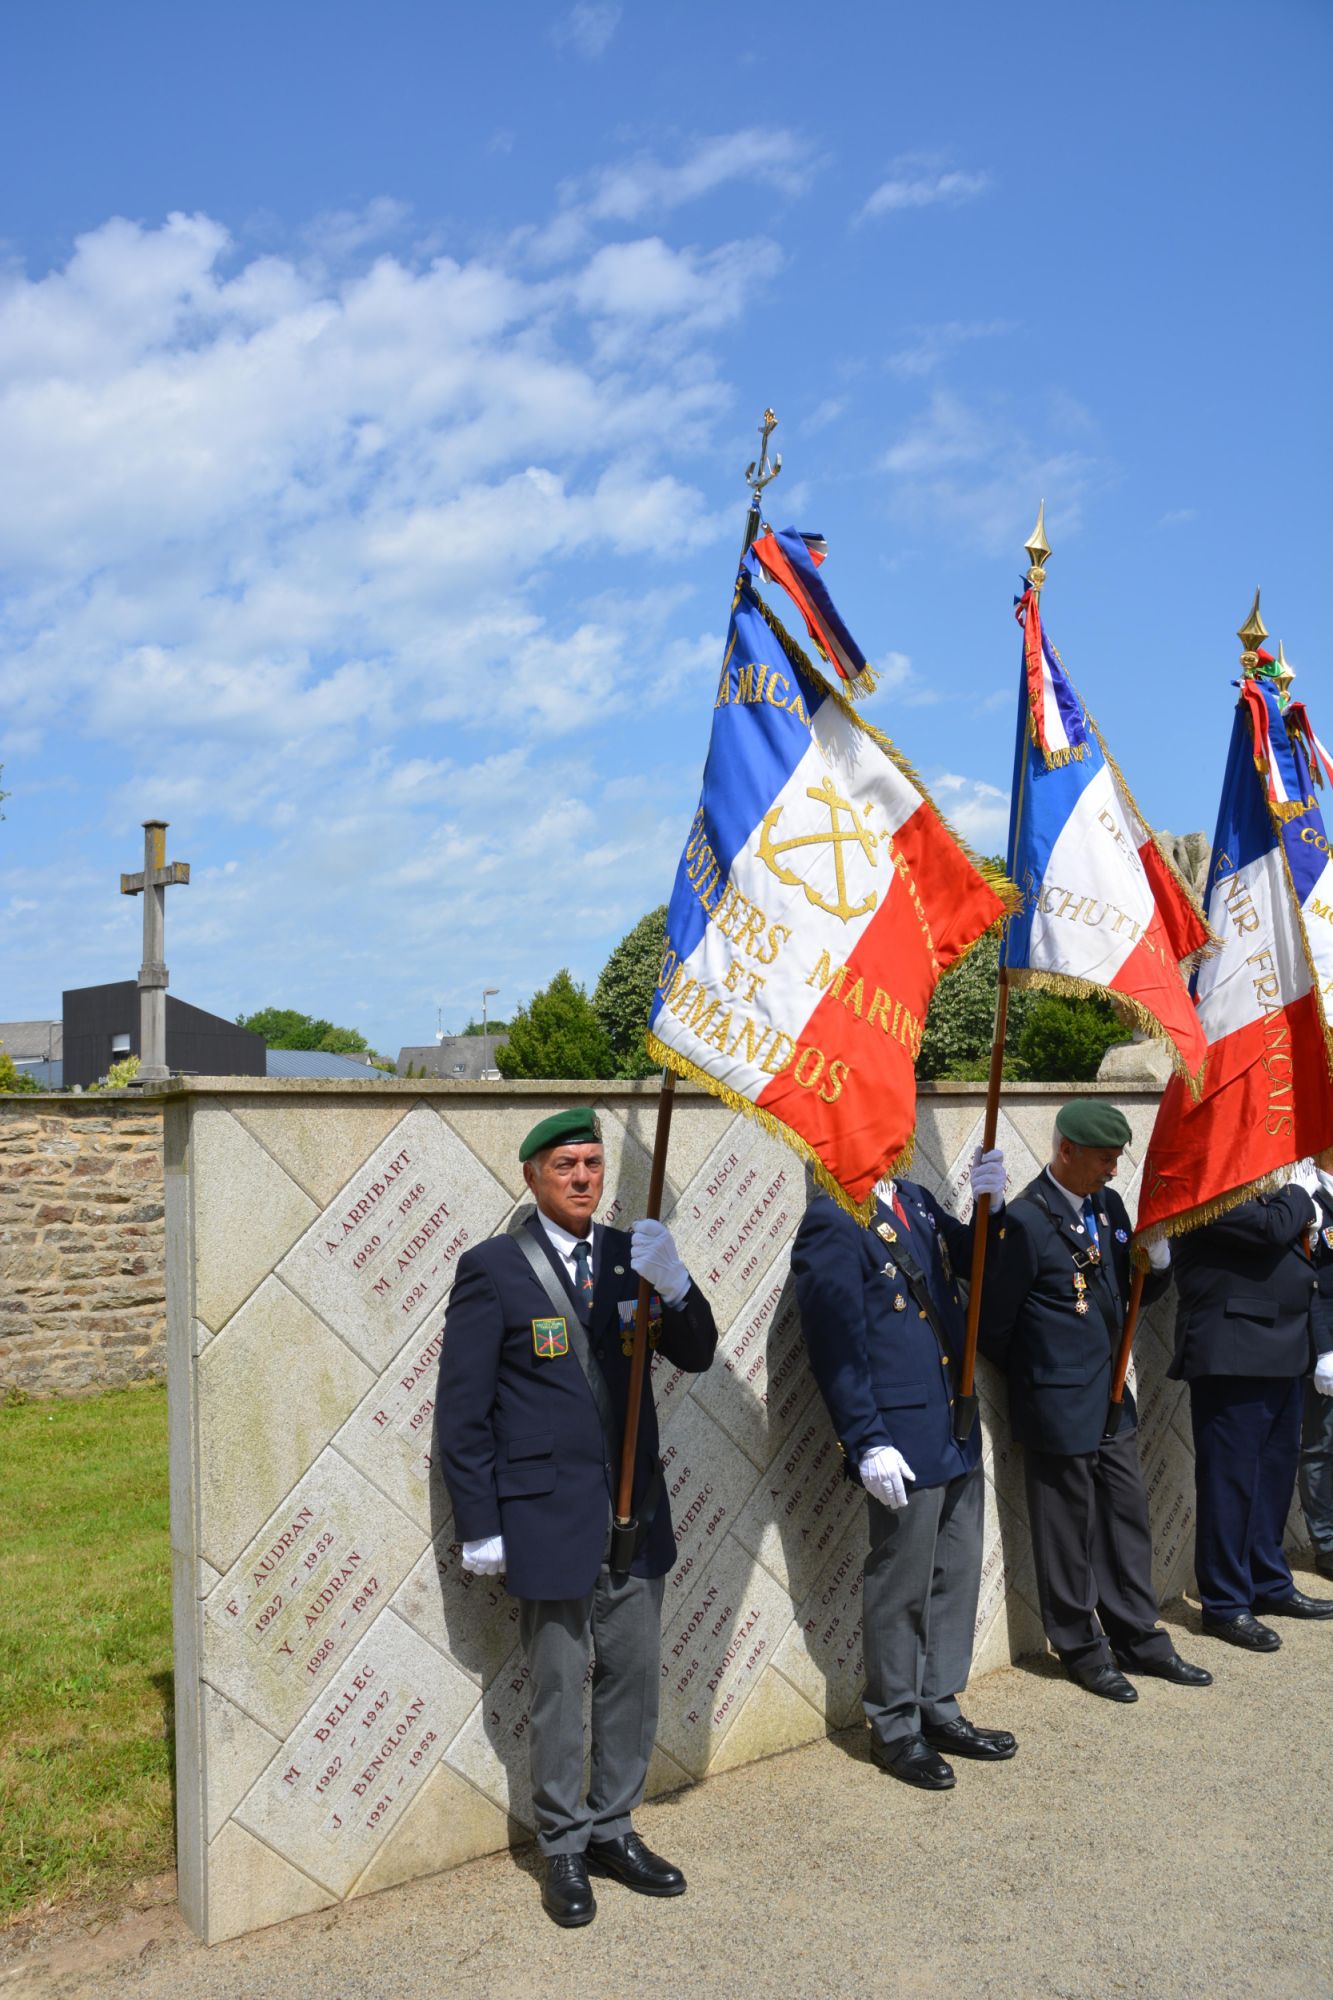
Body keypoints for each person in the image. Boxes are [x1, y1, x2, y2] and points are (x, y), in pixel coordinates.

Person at [435, 1108, 717, 1928]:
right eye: (565, 1165)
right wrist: (480, 1524)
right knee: (560, 1685)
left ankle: (613, 1827)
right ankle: (561, 1842)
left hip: (634, 1512)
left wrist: (676, 1284)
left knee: (632, 1674)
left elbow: (695, 1352)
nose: (583, 1177)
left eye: (592, 1162)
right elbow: (463, 1412)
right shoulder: (492, 1269)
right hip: (545, 1517)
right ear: (532, 1177)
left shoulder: (634, 1256)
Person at [790, 1147, 1018, 1790]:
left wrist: (993, 1212)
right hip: (901, 1434)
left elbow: (973, 1258)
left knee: (956, 1572)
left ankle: (938, 1705)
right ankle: (894, 1725)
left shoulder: (912, 1199)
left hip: (952, 1419)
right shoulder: (833, 1220)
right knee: (902, 1583)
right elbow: (833, 1343)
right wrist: (865, 1439)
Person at [981, 1099, 1211, 1701]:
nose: (1113, 1170)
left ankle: (1138, 1637)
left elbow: (1130, 1296)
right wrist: (1048, 1376)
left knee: (1125, 1521)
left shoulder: (1107, 1206)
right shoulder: (1027, 1220)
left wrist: (1159, 1262)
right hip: (1058, 1405)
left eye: (1117, 1159)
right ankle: (1083, 1649)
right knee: (1066, 1532)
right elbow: (994, 1326)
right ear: (1066, 1151)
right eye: (1104, 1159)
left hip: (1112, 1398)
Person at [1170, 1156, 1333, 1647]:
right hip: (1234, 1349)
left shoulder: (1264, 1186)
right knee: (1231, 1481)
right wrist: (1301, 1196)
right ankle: (1224, 1603)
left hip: (1282, 1345)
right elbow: (1270, 1228)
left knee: (1273, 1478)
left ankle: (1268, 1581)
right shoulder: (1207, 1180)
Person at [1299, 1151, 1333, 1582]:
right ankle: (1326, 1543)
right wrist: (1324, 1350)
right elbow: (1309, 1283)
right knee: (1322, 1443)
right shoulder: (1311, 1198)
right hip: (1328, 1341)